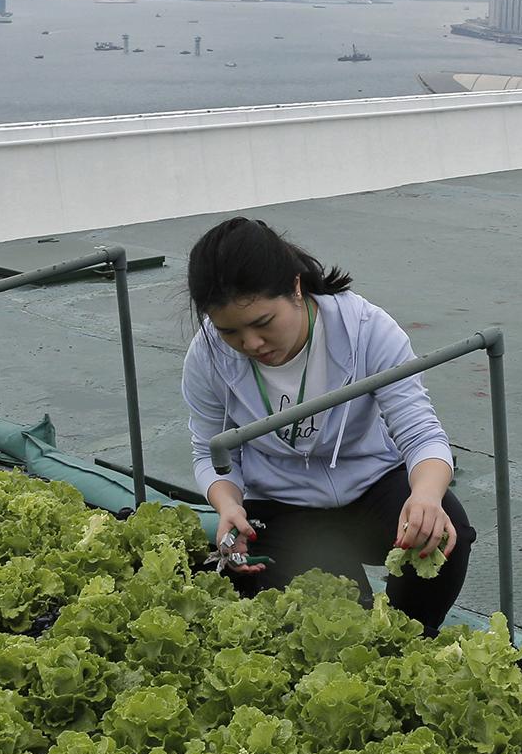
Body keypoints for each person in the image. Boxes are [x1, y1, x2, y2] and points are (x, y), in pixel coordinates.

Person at [181, 216, 472, 634]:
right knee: (334, 622)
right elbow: (210, 453)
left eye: (263, 323)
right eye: (231, 332)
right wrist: (229, 506)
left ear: (296, 288)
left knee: (445, 530)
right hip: (283, 506)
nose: (251, 344)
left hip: (370, 487)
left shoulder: (366, 330)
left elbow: (421, 433)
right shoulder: (207, 356)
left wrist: (426, 497)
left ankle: (412, 641)